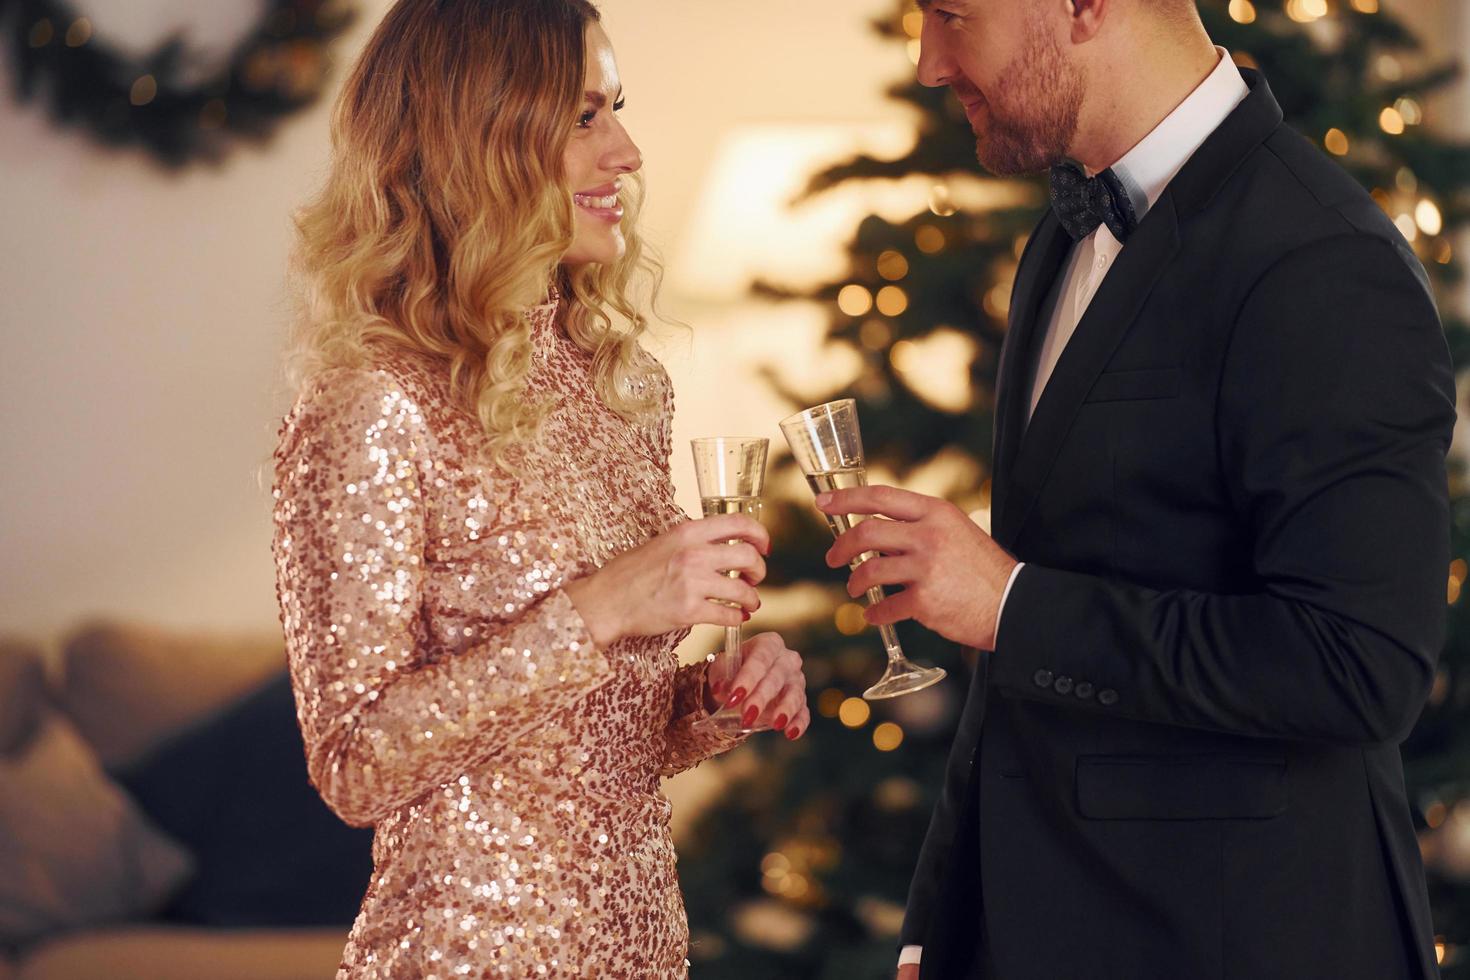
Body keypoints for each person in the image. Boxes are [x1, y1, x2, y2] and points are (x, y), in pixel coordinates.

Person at [815, 1, 1454, 978]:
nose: (932, 63)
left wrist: (1012, 603)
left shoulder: (1325, 260)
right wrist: (937, 929)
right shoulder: (1063, 233)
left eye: (951, 13)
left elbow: (1360, 667)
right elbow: (1014, 665)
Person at [271, 1, 810, 976]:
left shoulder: (623, 382)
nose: (629, 152)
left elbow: (595, 740)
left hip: (643, 950)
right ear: (481, 137)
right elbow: (353, 762)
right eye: (584, 117)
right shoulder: (372, 401)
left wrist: (716, 698)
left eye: (616, 111)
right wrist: (603, 605)